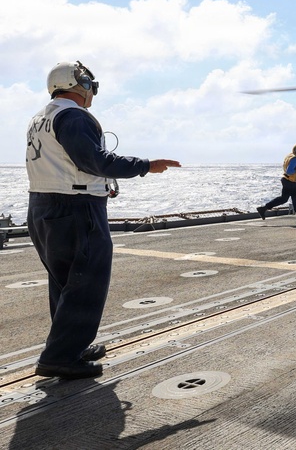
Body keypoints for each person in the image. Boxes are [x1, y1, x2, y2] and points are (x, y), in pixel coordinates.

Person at [25, 61, 181, 380]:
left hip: (42, 206)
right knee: (87, 281)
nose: (92, 88)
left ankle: (70, 347)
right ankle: (59, 357)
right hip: (76, 208)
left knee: (66, 282)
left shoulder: (41, 117)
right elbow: (96, 160)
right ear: (79, 83)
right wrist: (145, 165)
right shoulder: (73, 116)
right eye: (89, 82)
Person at [257, 143, 296, 224]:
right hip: (289, 181)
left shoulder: (291, 156)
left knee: (292, 198)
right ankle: (263, 208)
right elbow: (289, 171)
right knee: (289, 198)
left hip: (288, 180)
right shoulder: (295, 159)